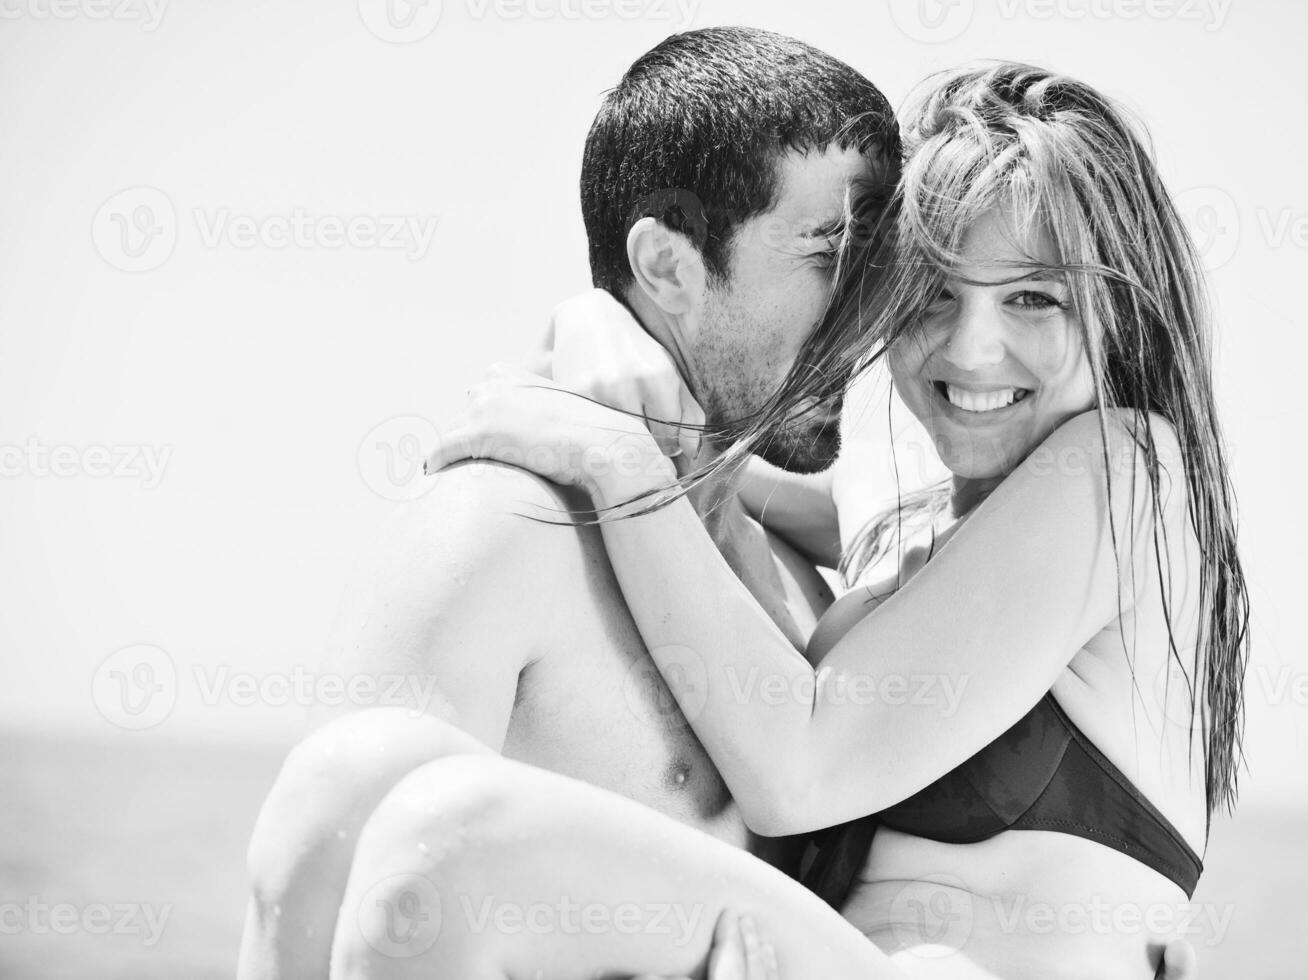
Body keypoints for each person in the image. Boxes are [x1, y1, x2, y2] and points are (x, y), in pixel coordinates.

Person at [363, 61, 1248, 979]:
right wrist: (596, 335)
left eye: (1034, 297)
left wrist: (616, 463)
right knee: (364, 787)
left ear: (1121, 314)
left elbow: (800, 770)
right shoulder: (914, 524)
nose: (971, 347)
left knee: (443, 833)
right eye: (936, 292)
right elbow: (716, 458)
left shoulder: (1127, 472)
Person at [237, 25, 903, 980]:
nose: (875, 309)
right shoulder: (495, 536)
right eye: (832, 254)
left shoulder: (800, 584)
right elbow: (329, 912)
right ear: (671, 267)